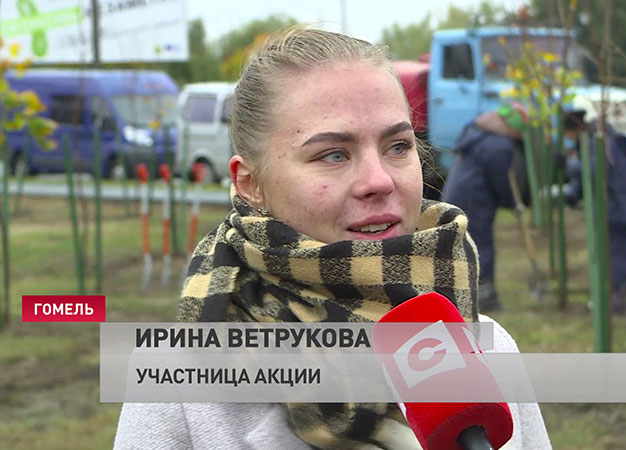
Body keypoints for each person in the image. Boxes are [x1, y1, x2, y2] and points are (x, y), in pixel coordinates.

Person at [114, 27, 551, 450]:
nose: (379, 181)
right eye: (333, 155)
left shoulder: (487, 346)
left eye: (398, 146)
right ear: (250, 184)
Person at [561, 102, 626, 314]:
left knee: (618, 255)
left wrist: (567, 166)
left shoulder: (598, 142)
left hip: (619, 206)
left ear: (573, 130)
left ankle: (615, 304)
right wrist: (573, 193)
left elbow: (595, 168)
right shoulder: (604, 139)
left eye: (567, 133)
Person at [440, 103, 529, 311]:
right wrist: (512, 202)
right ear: (513, 129)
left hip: (456, 193)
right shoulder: (499, 146)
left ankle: (458, 294)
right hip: (475, 199)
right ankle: (484, 297)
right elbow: (500, 180)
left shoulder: (477, 131)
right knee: (481, 245)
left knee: (460, 245)